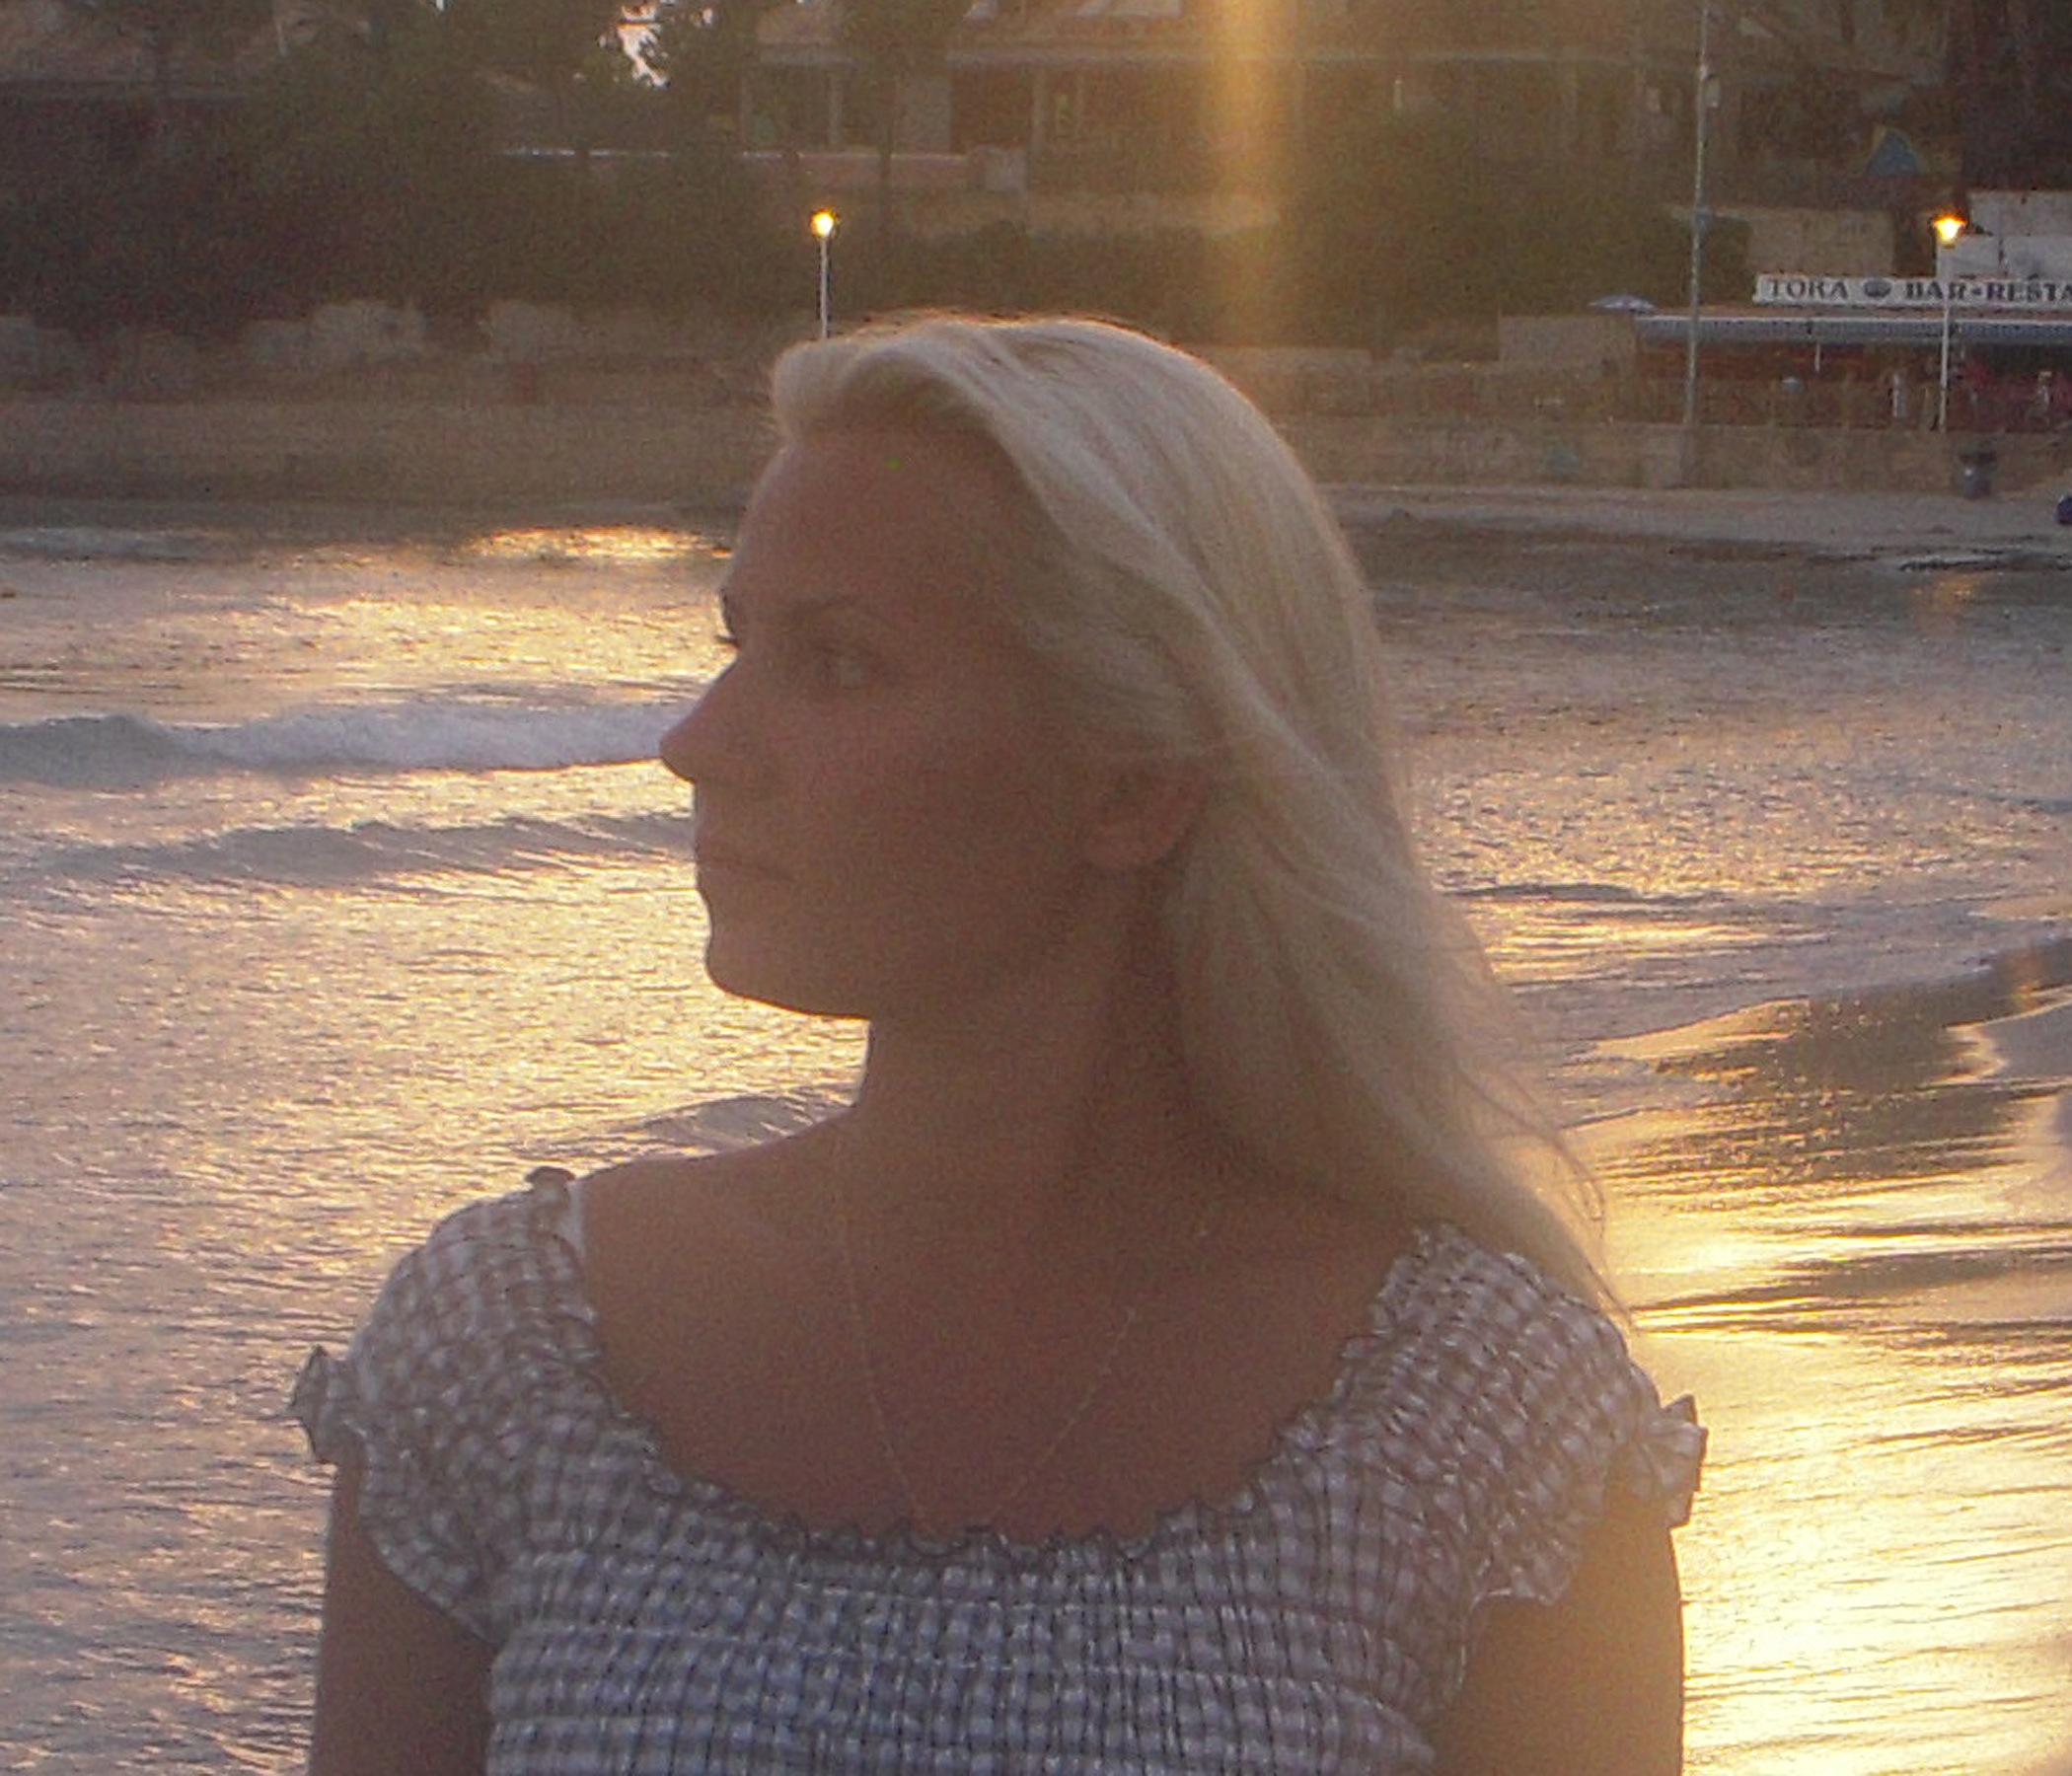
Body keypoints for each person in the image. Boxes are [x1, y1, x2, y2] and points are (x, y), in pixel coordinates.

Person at [294, 314, 1704, 1775]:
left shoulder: (1483, 1428)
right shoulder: (503, 1359)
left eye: (838, 663)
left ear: (1136, 781)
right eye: (736, 643)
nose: (697, 743)